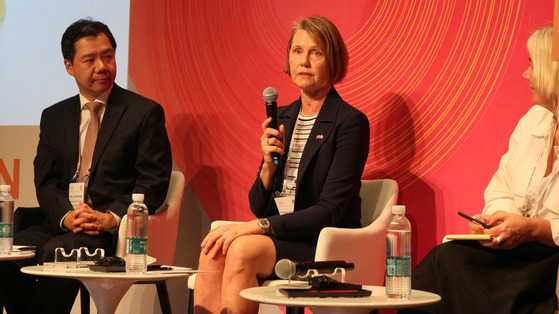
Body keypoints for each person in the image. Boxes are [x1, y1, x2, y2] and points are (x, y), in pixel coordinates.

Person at [193, 16, 370, 313]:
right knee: (213, 249)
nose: (304, 61)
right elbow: (258, 205)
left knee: (241, 249)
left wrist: (260, 227)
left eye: (316, 52)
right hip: (284, 235)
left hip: (323, 241)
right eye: (298, 51)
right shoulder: (283, 117)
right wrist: (267, 167)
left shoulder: (349, 122)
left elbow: (330, 210)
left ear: (333, 60)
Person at [0, 19, 172, 314]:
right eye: (90, 60)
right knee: (5, 257)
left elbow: (153, 183)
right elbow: (46, 181)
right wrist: (66, 216)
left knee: (61, 254)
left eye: (108, 56)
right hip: (63, 223)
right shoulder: (55, 116)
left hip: (107, 231)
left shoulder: (143, 113)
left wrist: (111, 217)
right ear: (69, 66)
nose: (102, 66)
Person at [402, 26, 559, 314]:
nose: (526, 75)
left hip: (550, 264)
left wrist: (532, 230)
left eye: (532, 64)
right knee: (445, 260)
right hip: (519, 255)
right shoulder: (534, 121)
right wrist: (498, 222)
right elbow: (502, 188)